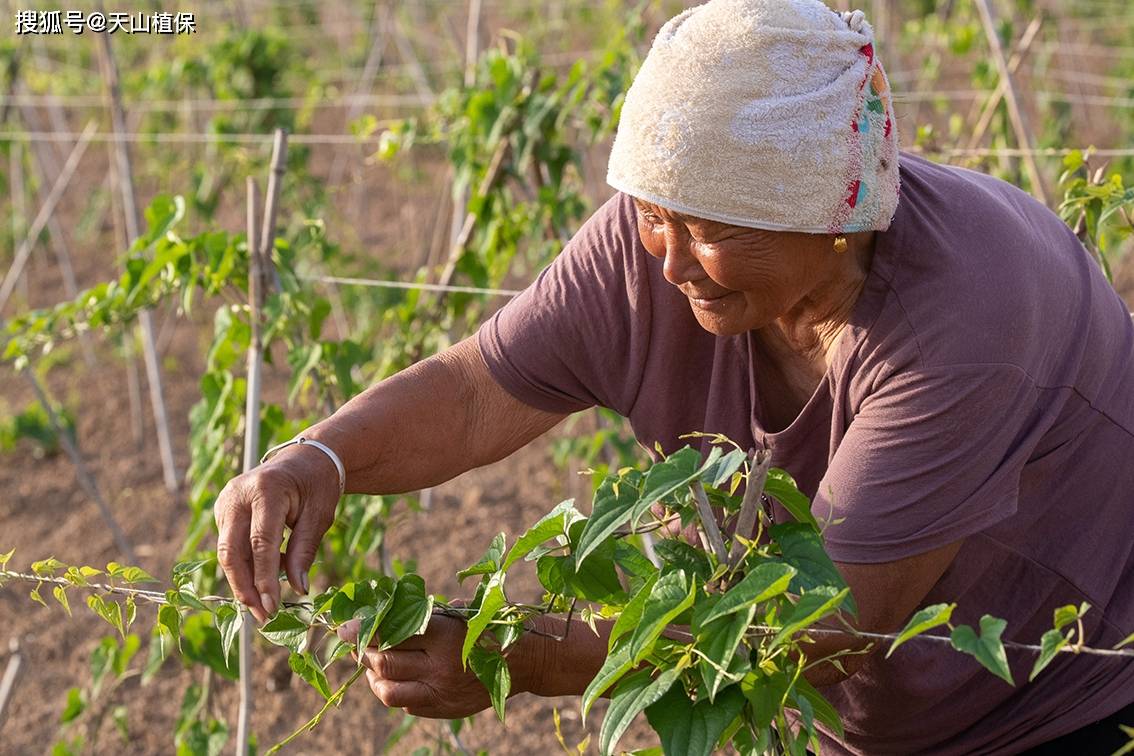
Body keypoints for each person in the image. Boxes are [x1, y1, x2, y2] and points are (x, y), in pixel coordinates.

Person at [214, 0, 1134, 752]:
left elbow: (821, 629)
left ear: (832, 214)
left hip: (1061, 709)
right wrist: (317, 458)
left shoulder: (964, 321)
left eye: (709, 230)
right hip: (855, 725)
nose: (670, 262)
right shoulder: (652, 236)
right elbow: (470, 393)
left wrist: (519, 656)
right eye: (655, 216)